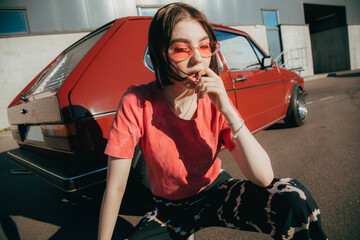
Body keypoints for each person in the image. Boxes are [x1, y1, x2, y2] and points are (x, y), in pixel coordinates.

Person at [98, 3, 327, 240]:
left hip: (216, 192)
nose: (198, 59)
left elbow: (263, 177)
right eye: (181, 49)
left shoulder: (215, 101)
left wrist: (226, 107)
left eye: (205, 46)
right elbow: (115, 187)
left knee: (294, 198)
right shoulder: (136, 102)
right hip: (169, 209)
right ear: (160, 53)